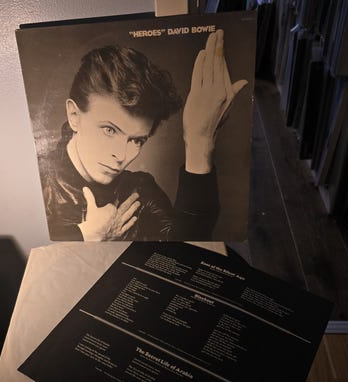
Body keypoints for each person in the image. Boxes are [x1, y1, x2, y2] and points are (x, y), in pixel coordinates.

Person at [42, 30, 247, 241]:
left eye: (136, 140)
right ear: (74, 116)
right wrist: (88, 237)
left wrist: (199, 142)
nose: (121, 155)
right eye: (109, 130)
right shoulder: (35, 181)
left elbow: (186, 252)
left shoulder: (140, 191)